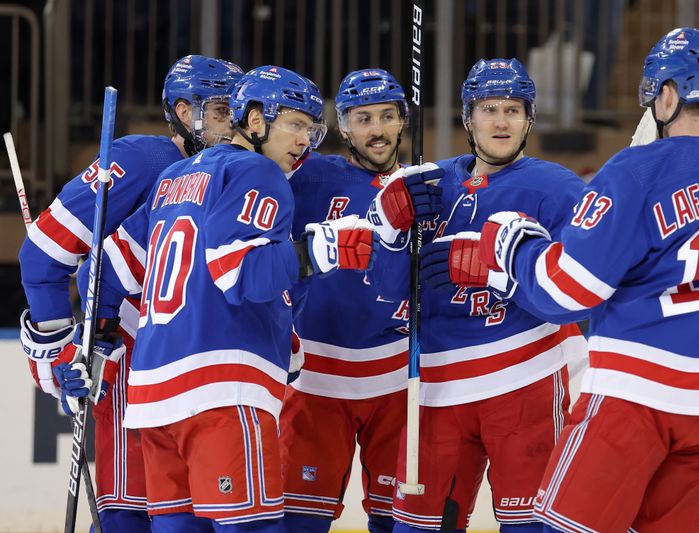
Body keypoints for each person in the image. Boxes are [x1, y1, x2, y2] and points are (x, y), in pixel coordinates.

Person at [470, 28, 699, 532]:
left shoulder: (636, 169)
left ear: (668, 94)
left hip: (636, 398)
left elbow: (567, 291)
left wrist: (515, 250)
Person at [57, 65, 373, 531]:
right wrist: (318, 251)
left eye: (311, 127)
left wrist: (94, 342)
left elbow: (98, 274)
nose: (306, 140)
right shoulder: (260, 173)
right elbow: (238, 273)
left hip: (153, 405)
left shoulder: (176, 178)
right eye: (295, 124)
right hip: (222, 395)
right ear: (256, 120)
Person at [17, 54, 243, 532]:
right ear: (185, 113)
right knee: (132, 520)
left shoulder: (241, 173)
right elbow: (42, 254)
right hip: (136, 371)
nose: (237, 122)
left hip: (205, 376)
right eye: (224, 110)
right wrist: (61, 353)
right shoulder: (142, 160)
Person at [365, 58, 587, 533]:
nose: (501, 121)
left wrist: (498, 273)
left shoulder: (560, 190)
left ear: (530, 118)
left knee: (530, 527)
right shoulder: (428, 183)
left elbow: (577, 297)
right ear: (468, 118)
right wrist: (387, 230)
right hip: (436, 386)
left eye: (512, 109)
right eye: (489, 108)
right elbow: (387, 293)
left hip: (524, 379)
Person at [280, 68, 411, 533]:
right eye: (362, 118)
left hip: (398, 382)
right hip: (315, 381)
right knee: (297, 522)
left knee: (399, 522)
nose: (376, 129)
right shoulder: (305, 176)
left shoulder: (426, 188)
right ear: (342, 127)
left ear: (402, 121)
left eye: (386, 116)